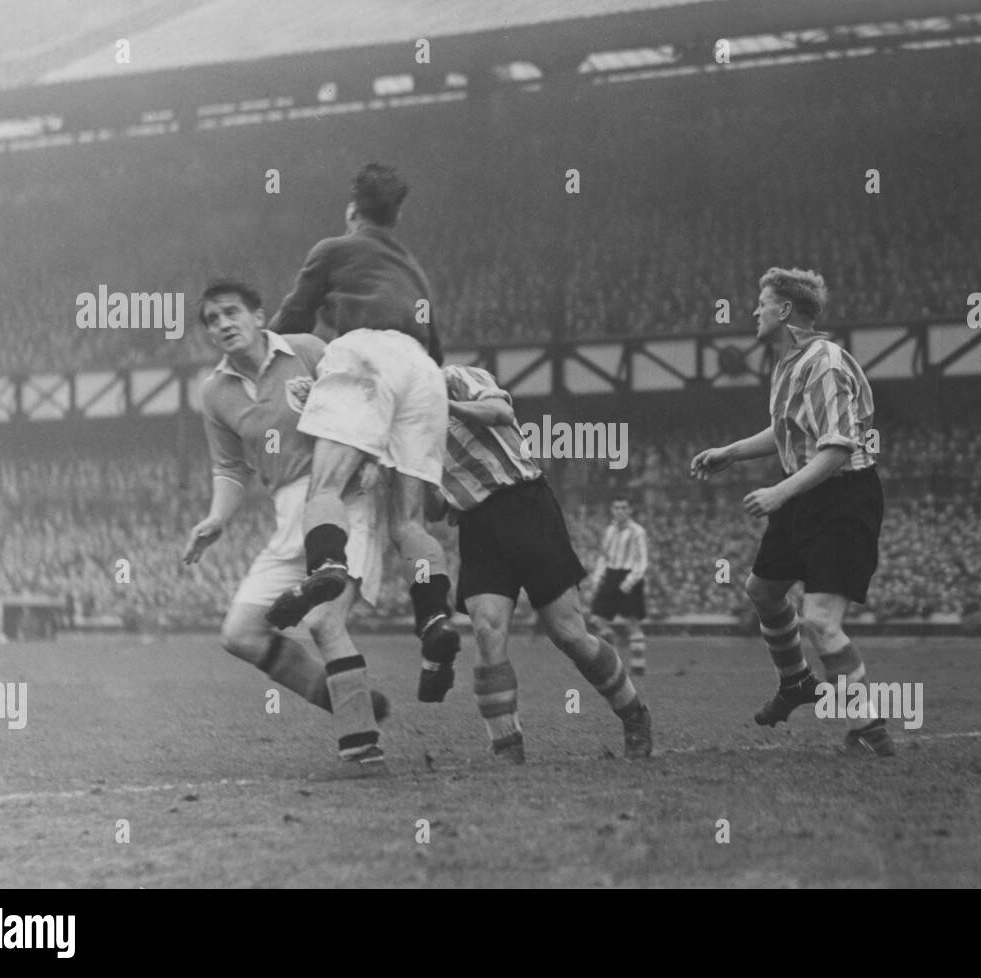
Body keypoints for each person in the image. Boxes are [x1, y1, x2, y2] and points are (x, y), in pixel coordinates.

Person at [263, 163, 460, 704]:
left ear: (353, 210)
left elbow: (292, 318)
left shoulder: (334, 248)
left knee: (324, 489)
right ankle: (434, 617)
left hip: (366, 354)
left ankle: (327, 564)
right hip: (423, 373)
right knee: (410, 523)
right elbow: (436, 351)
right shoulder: (414, 270)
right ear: (395, 216)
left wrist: (257, 357)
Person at [184, 279, 389, 778]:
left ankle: (363, 751)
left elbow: (367, 398)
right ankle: (349, 699)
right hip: (286, 512)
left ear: (259, 316)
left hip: (342, 498)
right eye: (212, 320)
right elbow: (230, 470)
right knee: (239, 633)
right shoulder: (215, 392)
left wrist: (373, 459)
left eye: (231, 312)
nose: (223, 324)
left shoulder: (307, 351)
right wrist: (216, 518)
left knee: (324, 623)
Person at [690, 267, 892, 757]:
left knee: (820, 621)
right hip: (806, 493)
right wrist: (730, 452)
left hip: (842, 497)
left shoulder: (822, 363)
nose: (754, 311)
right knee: (762, 590)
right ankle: (797, 682)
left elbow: (838, 449)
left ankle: (869, 730)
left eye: (761, 303)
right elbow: (784, 431)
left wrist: (780, 493)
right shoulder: (786, 363)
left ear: (783, 311)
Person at [431, 364, 652, 762]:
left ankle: (633, 713)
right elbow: (434, 506)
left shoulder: (454, 378)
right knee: (486, 629)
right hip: (477, 524)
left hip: (525, 504)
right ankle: (507, 747)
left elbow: (501, 413)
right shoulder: (402, 425)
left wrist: (442, 406)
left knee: (569, 634)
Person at [587, 498, 650, 676]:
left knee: (632, 622)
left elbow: (642, 560)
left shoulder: (638, 531)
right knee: (597, 619)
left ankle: (638, 667)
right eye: (616, 507)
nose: (620, 511)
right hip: (611, 575)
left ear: (630, 510)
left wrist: (629, 582)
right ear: (612, 510)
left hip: (629, 575)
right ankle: (614, 661)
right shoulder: (610, 531)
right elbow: (603, 556)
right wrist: (597, 577)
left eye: (624, 507)